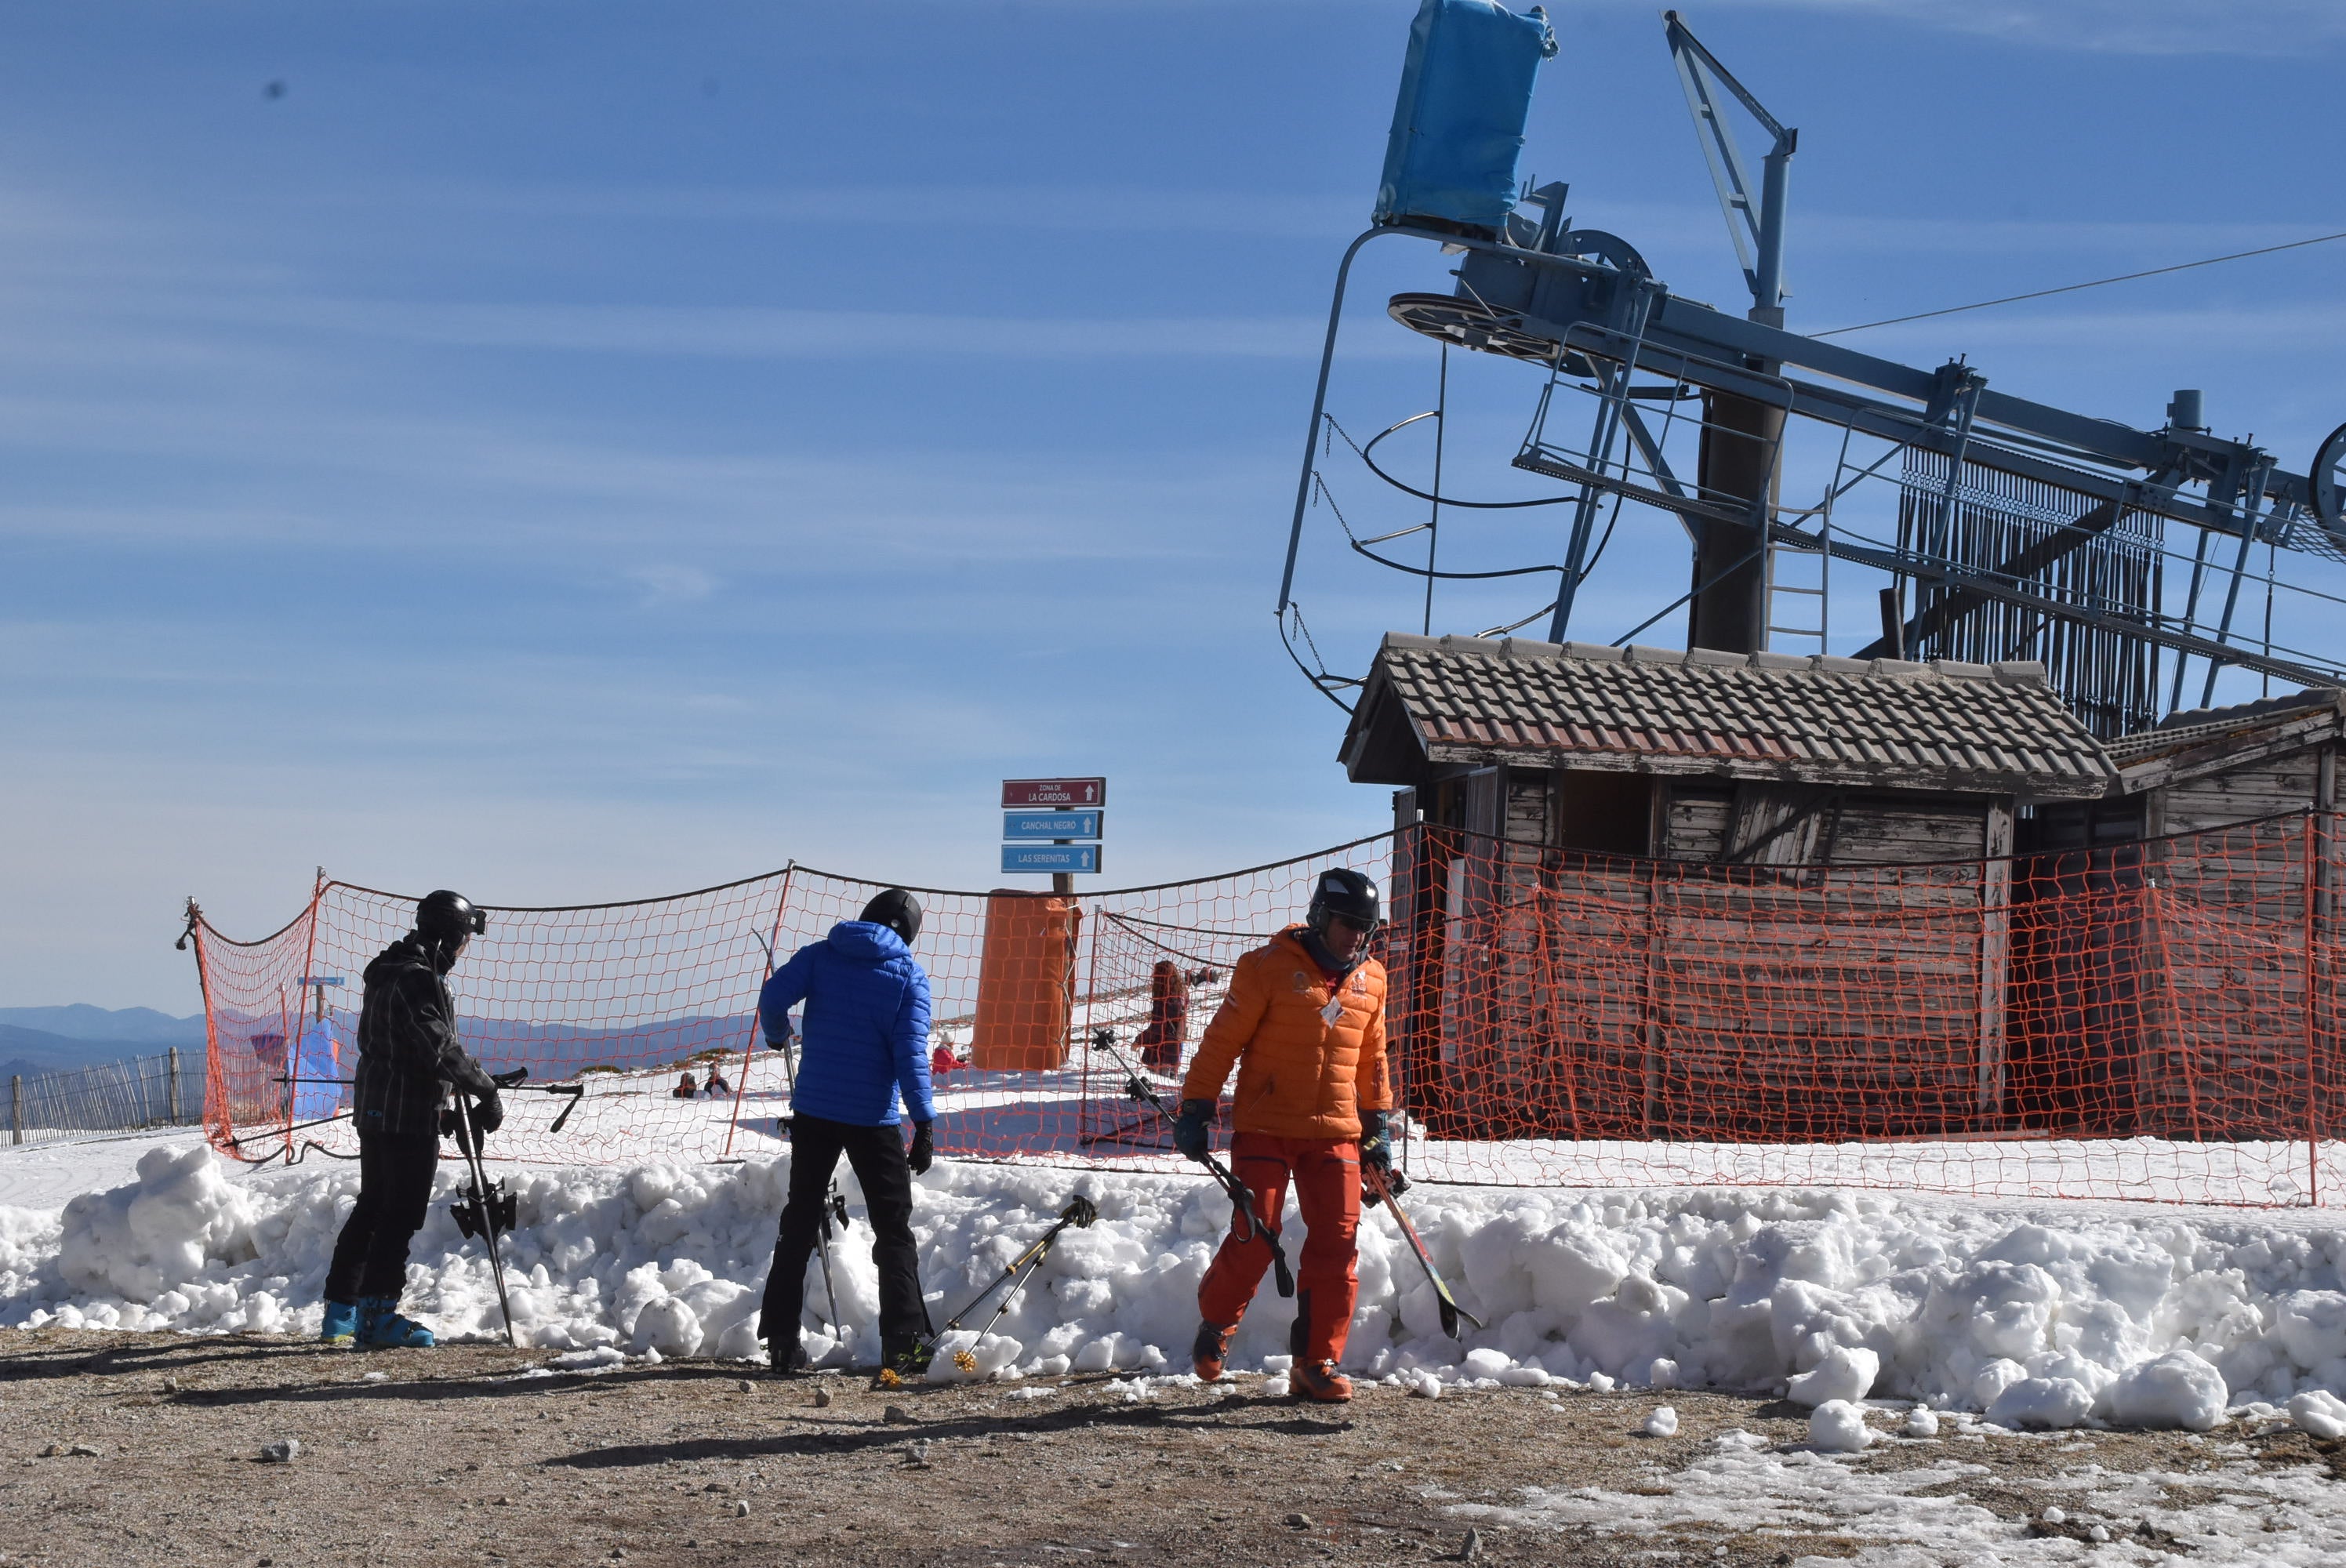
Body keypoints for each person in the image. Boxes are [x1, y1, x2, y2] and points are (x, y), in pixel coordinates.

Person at [1175, 869, 1391, 1403]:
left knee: (1337, 1247)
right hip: (1265, 1127)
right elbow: (1222, 1042)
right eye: (1348, 924)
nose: (1356, 936)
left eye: (1366, 928)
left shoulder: (1373, 979)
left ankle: (1316, 1361)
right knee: (1257, 1232)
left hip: (1335, 1133)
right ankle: (1217, 1323)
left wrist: (1377, 1131)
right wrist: (1196, 1106)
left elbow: (1373, 1060)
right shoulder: (1265, 969)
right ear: (1321, 917)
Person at [756, 887, 935, 1378]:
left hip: (815, 1109)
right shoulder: (909, 976)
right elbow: (911, 1058)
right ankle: (904, 1342)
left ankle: (782, 1340)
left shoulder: (822, 954)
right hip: (872, 1118)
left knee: (799, 1219)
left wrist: (778, 1034)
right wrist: (923, 1123)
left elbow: (772, 998)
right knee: (892, 1226)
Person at [321, 889, 507, 1348]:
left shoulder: (387, 971)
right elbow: (437, 1045)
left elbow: (405, 1049)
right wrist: (485, 1089)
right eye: (465, 937)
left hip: (379, 1106)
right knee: (400, 1214)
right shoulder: (418, 979)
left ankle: (342, 1313)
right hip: (406, 1114)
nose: (466, 948)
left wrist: (445, 1099)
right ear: (449, 934)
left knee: (373, 1206)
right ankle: (378, 1317)